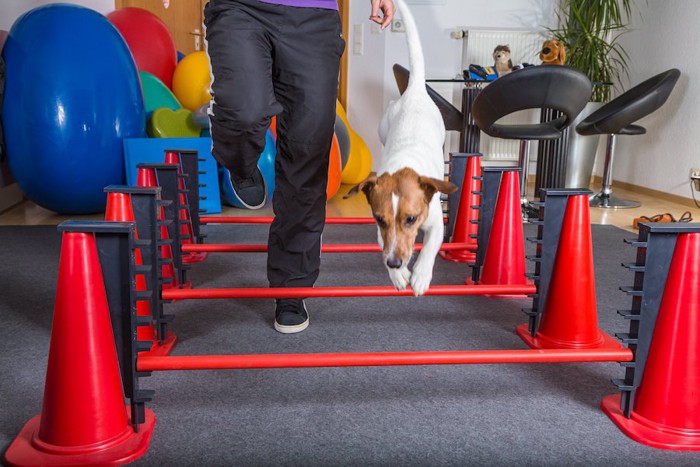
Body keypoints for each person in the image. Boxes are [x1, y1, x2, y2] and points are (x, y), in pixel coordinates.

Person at [162, 0, 395, 333]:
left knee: (309, 150)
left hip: (314, 16)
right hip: (240, 7)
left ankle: (291, 287)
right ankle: (240, 164)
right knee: (244, 110)